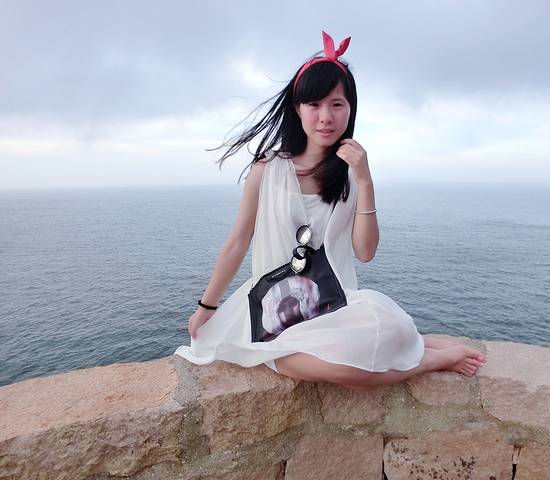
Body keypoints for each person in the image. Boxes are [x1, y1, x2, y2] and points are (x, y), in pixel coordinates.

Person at [173, 31, 485, 391]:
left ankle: (416, 344)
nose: (326, 117)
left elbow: (365, 252)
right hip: (273, 316)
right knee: (350, 372)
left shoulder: (351, 177)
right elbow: (237, 242)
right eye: (314, 105)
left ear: (351, 109)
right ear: (297, 109)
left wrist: (365, 180)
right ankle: (431, 358)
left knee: (379, 333)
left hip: (331, 311)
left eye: (337, 104)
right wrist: (207, 307)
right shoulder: (268, 169)